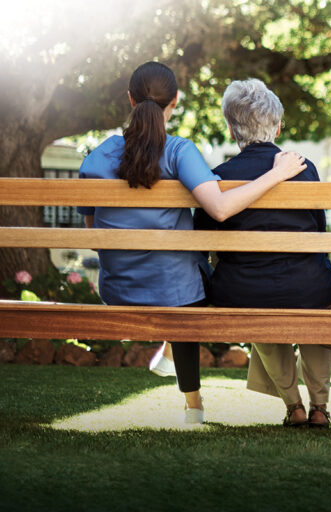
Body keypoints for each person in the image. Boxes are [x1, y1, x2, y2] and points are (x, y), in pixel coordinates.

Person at [77, 62, 307, 424]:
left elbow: (93, 235)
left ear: (129, 98)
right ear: (176, 101)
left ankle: (177, 370)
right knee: (193, 274)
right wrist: (276, 174)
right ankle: (193, 406)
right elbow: (219, 209)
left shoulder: (99, 155)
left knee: (186, 270)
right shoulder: (179, 151)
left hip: (118, 289)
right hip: (177, 293)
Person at [193, 78, 331, 429]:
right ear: (277, 126)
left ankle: (294, 407)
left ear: (231, 129)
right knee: (320, 297)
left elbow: (201, 238)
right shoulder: (305, 171)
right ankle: (320, 406)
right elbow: (319, 233)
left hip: (243, 292)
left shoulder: (220, 177)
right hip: (309, 289)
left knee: (257, 298)